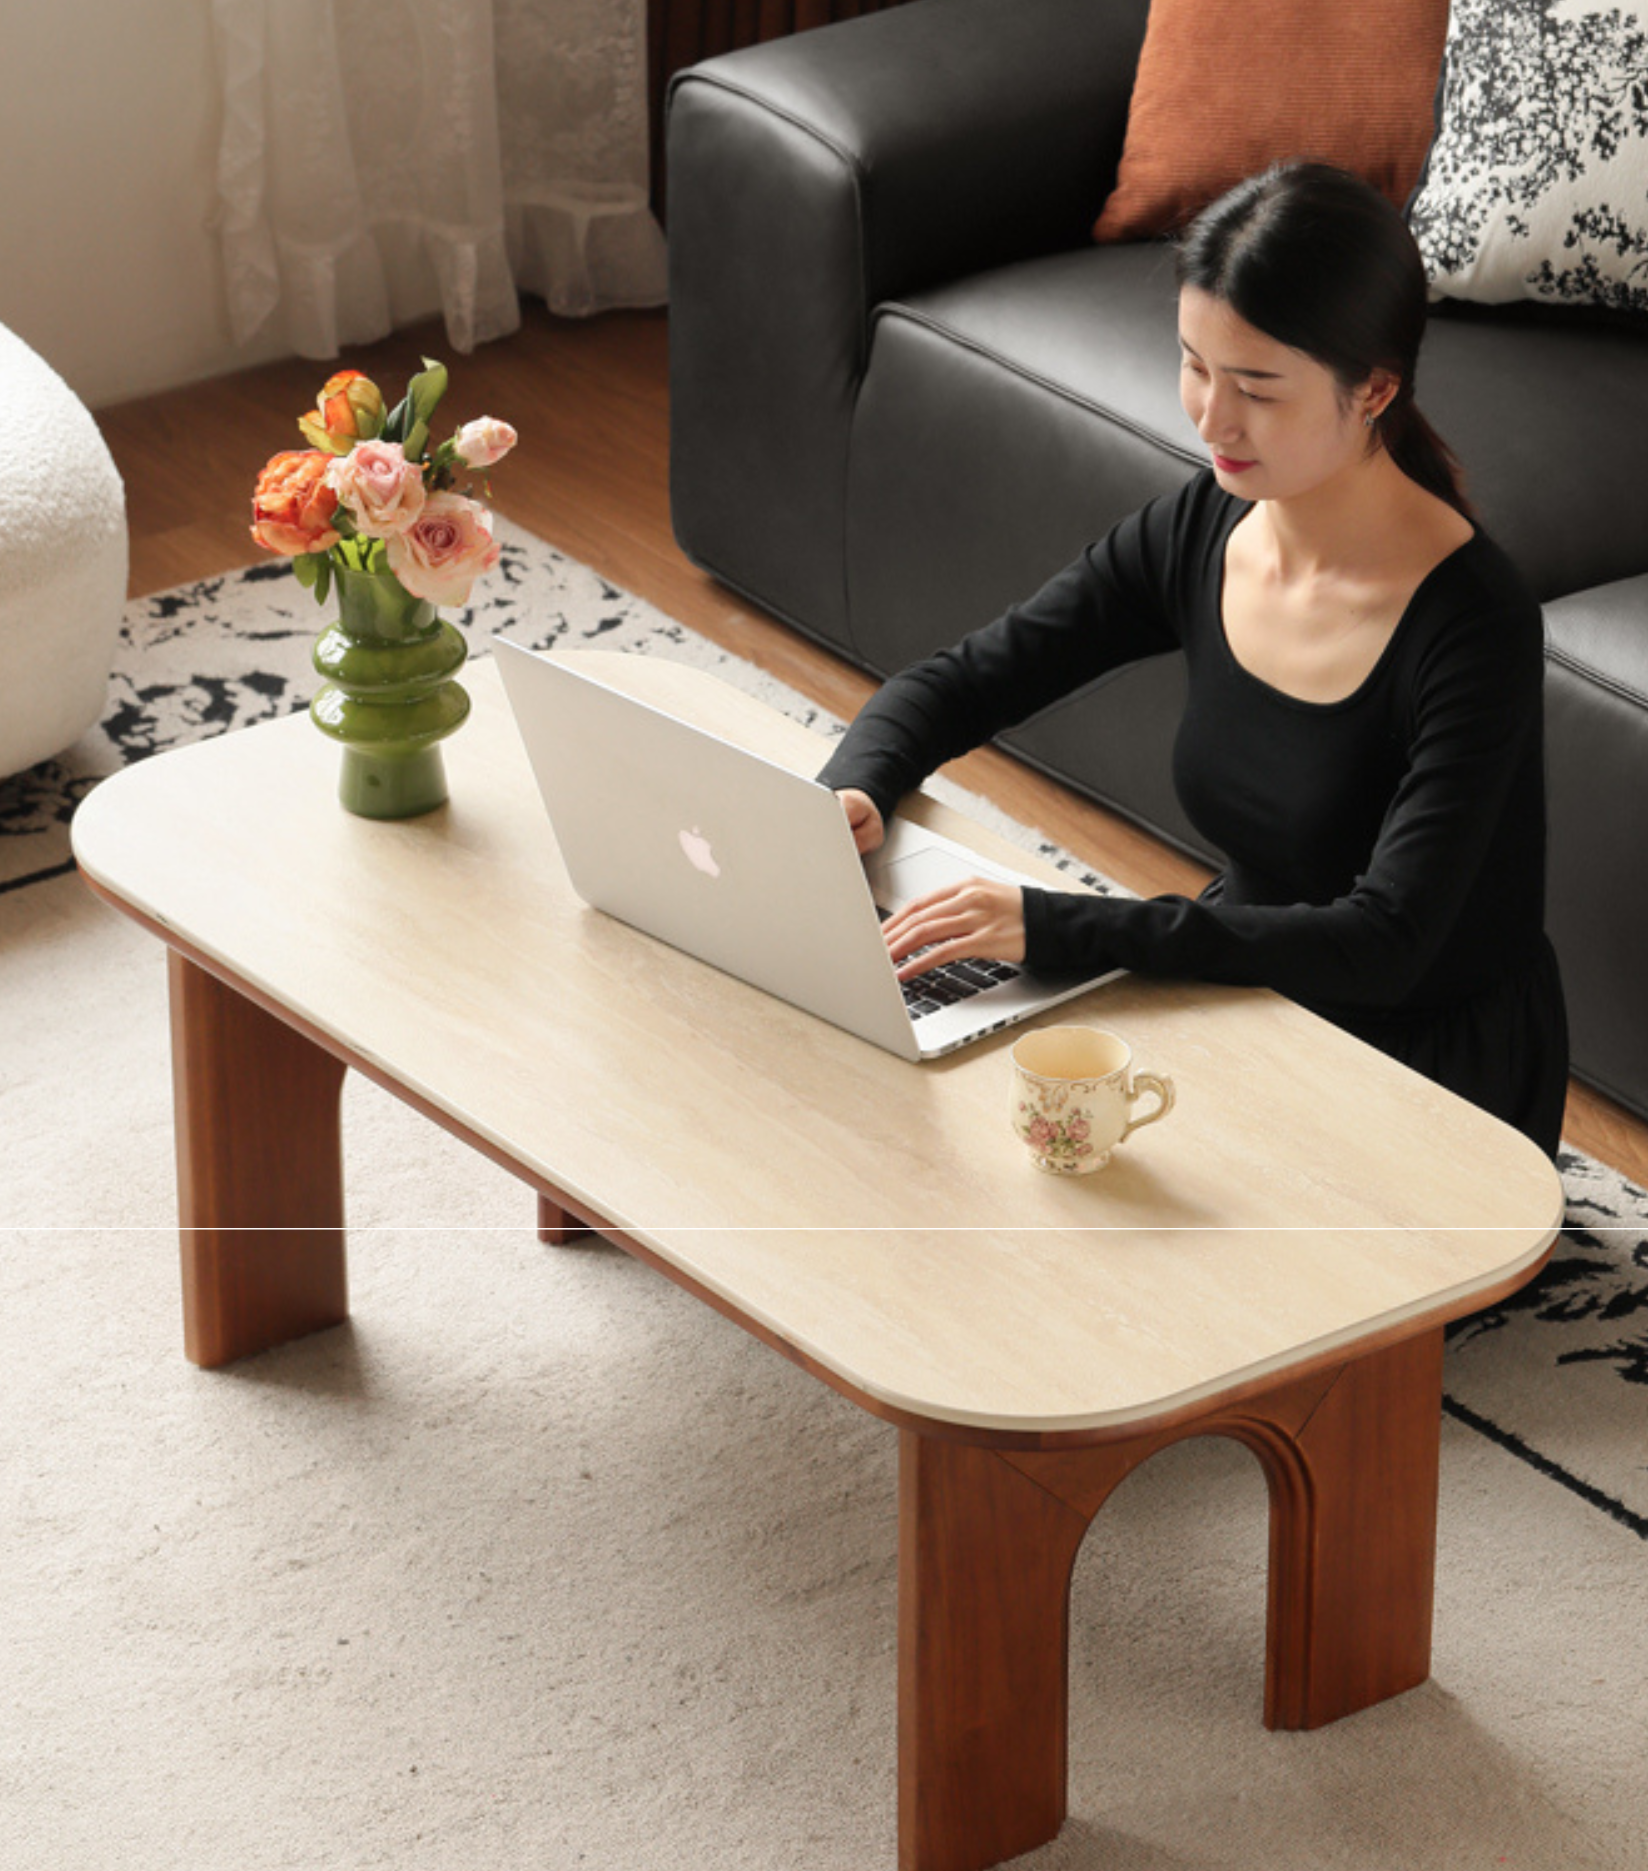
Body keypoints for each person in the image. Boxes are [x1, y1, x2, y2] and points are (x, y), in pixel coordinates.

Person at [818, 160, 1569, 1158]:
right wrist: (853, 789)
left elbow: (1385, 943)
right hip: (1239, 977)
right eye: (1193, 365)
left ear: (1374, 388)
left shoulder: (1473, 623)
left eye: (1255, 387)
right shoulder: (1204, 523)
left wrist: (1058, 928)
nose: (1210, 418)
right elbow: (963, 679)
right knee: (932, 1107)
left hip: (1425, 1063)